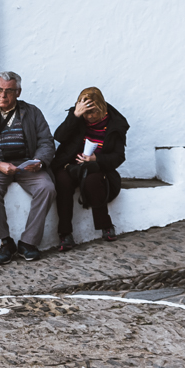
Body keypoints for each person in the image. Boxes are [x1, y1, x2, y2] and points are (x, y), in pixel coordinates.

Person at [0, 71, 56, 264]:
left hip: (27, 165)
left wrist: (39, 161)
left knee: (47, 188)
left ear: (18, 92)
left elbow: (46, 141)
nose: (3, 95)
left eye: (9, 91)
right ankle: (5, 241)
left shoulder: (32, 112)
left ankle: (28, 242)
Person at [52, 87, 129, 250]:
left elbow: (119, 156)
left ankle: (105, 225)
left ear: (102, 108)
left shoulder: (116, 124)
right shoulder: (77, 116)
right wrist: (75, 116)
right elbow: (59, 136)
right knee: (62, 182)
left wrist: (96, 158)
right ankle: (65, 234)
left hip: (96, 167)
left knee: (93, 180)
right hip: (70, 165)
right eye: (86, 113)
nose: (90, 117)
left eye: (94, 112)